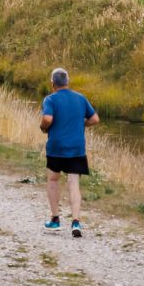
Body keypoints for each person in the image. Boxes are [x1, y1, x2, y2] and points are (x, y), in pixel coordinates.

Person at [40, 68, 98, 238]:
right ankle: (76, 221)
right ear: (67, 82)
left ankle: (55, 219)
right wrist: (81, 125)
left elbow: (47, 119)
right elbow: (95, 119)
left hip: (57, 147)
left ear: (52, 84)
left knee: (52, 179)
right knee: (74, 183)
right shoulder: (80, 98)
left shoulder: (50, 99)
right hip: (76, 147)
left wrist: (43, 127)